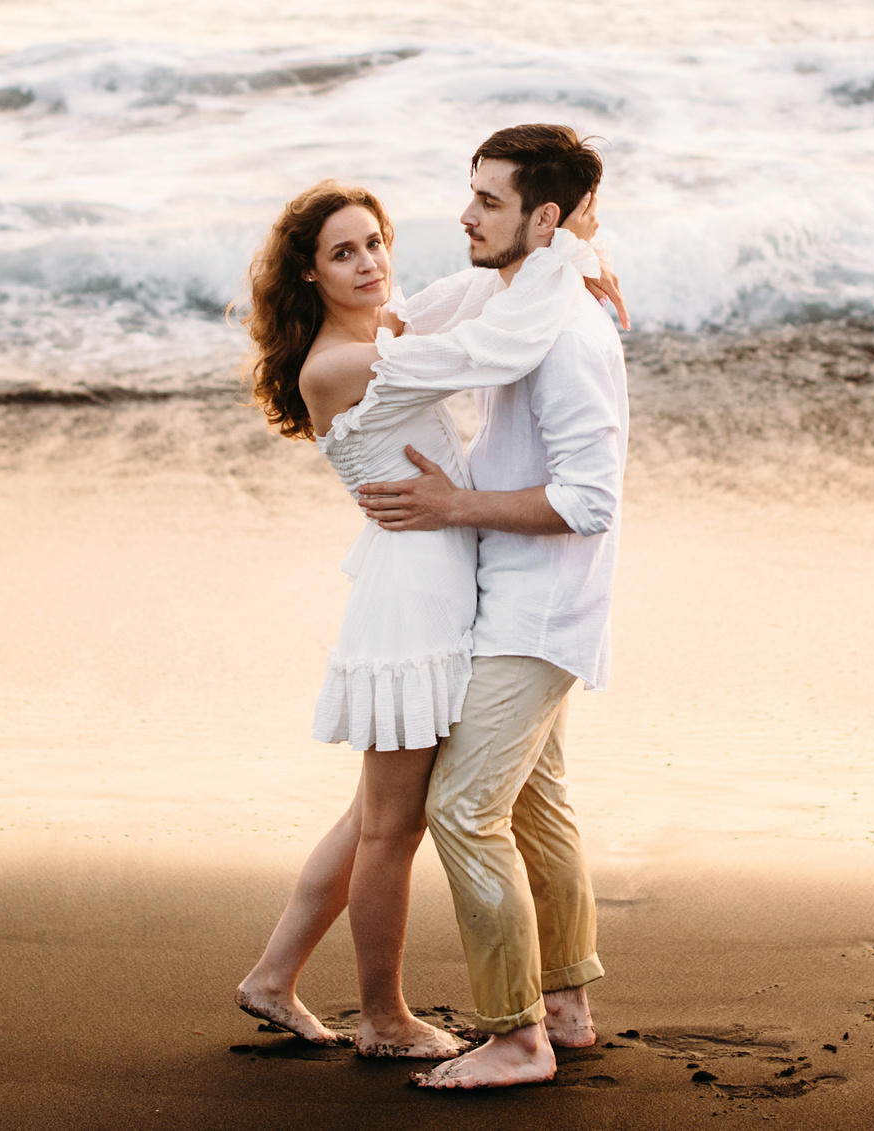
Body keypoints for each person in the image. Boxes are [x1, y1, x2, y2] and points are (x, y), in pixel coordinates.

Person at [231, 176, 620, 1059]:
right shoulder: (344, 362)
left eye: (375, 242)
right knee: (392, 827)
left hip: (439, 579)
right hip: (413, 599)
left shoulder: (387, 327)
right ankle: (383, 1016)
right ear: (308, 276)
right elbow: (500, 343)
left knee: (372, 814)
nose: (370, 262)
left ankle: (270, 977)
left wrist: (573, 253)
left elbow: (482, 293)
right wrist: (568, 259)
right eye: (344, 252)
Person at [353, 125, 631, 1091]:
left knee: (466, 811)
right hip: (508, 592)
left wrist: (452, 503)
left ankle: (516, 1036)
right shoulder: (528, 292)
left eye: (489, 200)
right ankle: (566, 1002)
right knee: (536, 805)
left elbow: (592, 501)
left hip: (540, 611)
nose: (465, 215)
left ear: (541, 219)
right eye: (469, 192)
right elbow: (444, 314)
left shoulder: (570, 338)